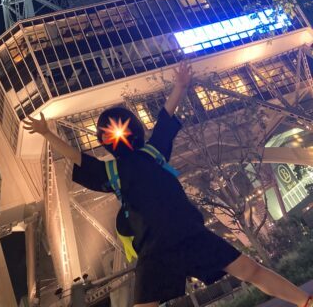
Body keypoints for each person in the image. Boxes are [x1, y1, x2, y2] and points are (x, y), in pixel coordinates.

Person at [24, 62, 313, 307]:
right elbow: (81, 156)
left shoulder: (140, 158)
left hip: (173, 240)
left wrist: (180, 86)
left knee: (250, 270)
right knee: (251, 271)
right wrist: (47, 134)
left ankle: (306, 301)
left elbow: (162, 118)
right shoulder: (121, 166)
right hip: (170, 242)